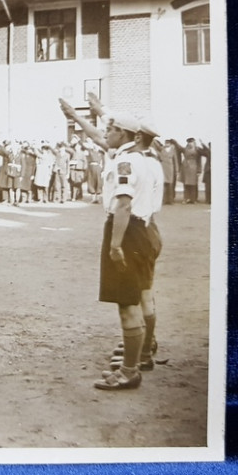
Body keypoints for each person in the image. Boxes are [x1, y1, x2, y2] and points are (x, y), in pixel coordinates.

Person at [93, 112, 157, 390]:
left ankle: (129, 372)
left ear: (127, 135)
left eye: (112, 129)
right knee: (135, 299)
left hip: (127, 231)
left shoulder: (127, 161)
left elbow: (123, 205)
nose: (107, 133)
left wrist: (115, 244)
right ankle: (132, 364)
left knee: (126, 304)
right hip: (138, 229)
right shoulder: (138, 158)